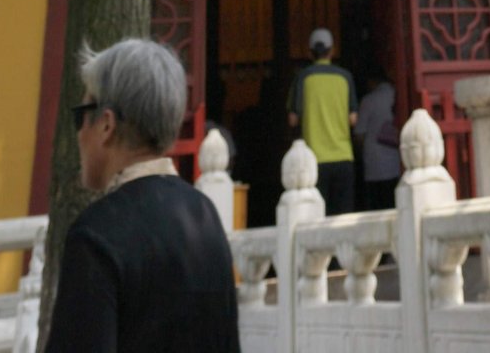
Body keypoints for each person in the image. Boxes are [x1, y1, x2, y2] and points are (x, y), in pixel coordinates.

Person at [46, 39, 240, 353]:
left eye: (81, 116)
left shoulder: (96, 234)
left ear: (106, 124)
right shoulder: (204, 215)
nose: (79, 132)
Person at [287, 26, 358, 215]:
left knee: (316, 217)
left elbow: (293, 119)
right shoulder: (345, 77)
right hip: (343, 157)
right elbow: (353, 119)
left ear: (310, 53)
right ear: (332, 51)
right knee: (343, 217)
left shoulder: (303, 78)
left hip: (314, 161)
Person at [352, 64, 401, 209]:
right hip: (397, 162)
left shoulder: (369, 100)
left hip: (375, 164)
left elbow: (359, 134)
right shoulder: (397, 95)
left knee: (377, 206)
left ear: (371, 81)